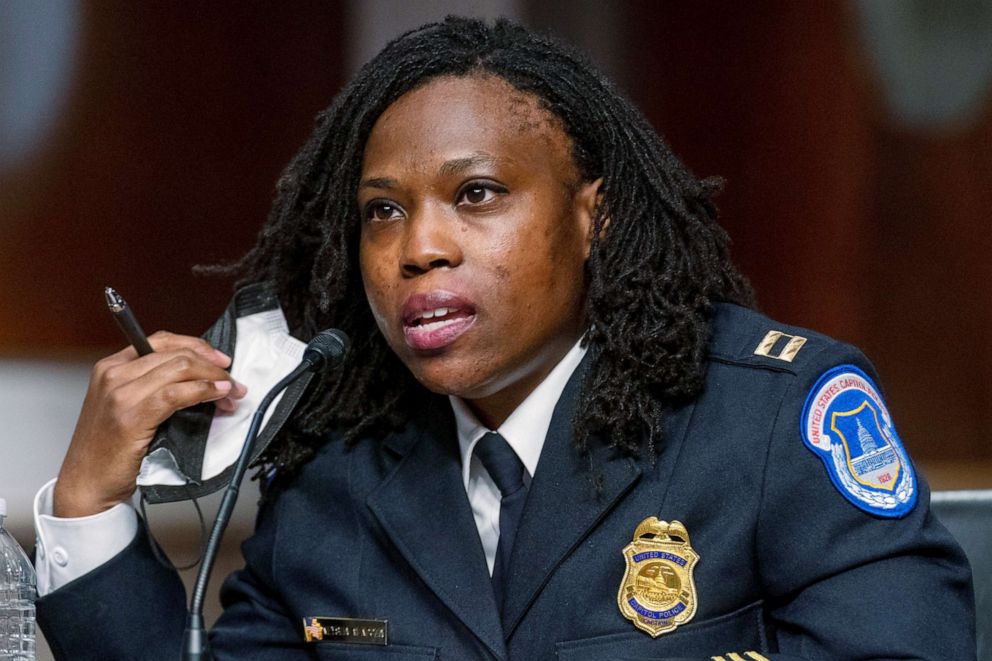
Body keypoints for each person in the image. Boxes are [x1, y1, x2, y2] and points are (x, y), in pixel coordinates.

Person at [33, 16, 975, 661]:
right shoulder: (336, 474)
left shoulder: (770, 418)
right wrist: (87, 503)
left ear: (591, 219)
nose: (418, 247)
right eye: (382, 211)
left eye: (476, 195)